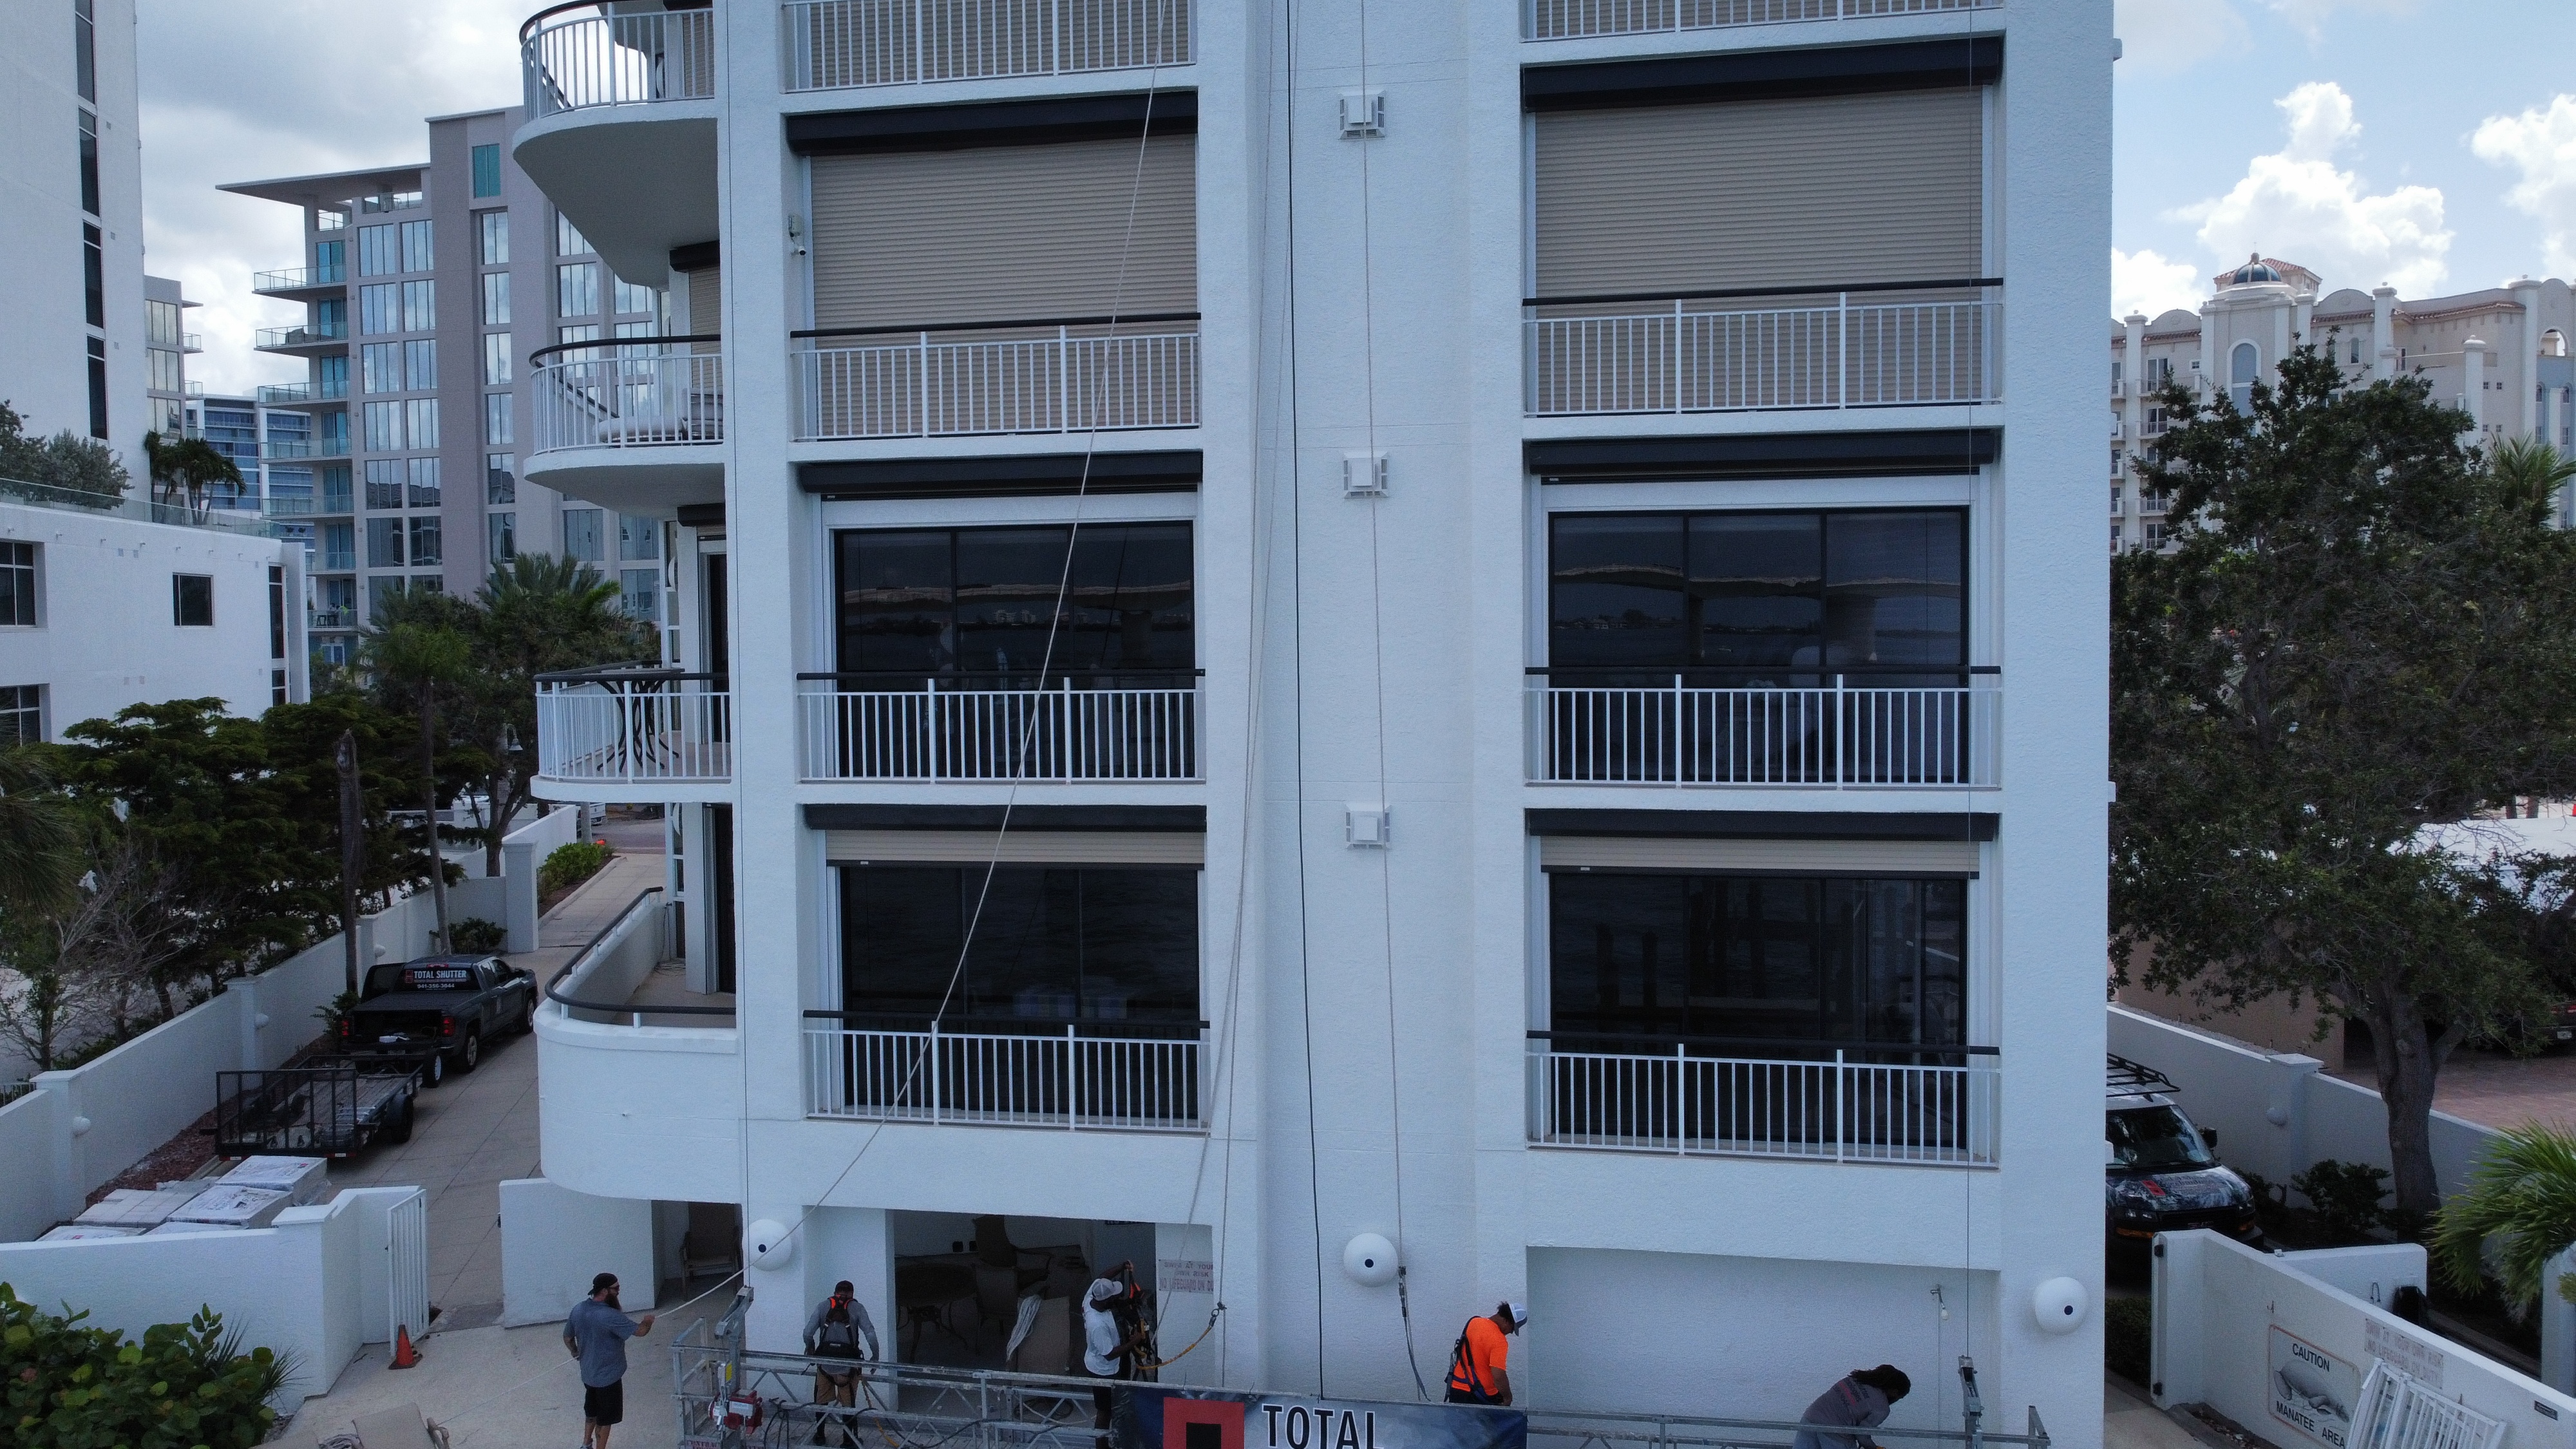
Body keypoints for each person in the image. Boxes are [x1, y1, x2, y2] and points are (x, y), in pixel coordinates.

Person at [564, 1273, 656, 1449]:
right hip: (608, 1378)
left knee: (591, 1411)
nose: (619, 1292)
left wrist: (576, 1352)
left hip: (588, 1375)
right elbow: (640, 1332)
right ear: (605, 1291)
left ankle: (586, 1444)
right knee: (605, 1420)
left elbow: (568, 1337)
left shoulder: (578, 1309)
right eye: (616, 1289)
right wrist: (648, 1322)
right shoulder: (610, 1316)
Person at [1081, 1262, 1150, 1449]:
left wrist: (1121, 1267)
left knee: (1121, 1406)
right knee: (1105, 1412)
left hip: (1116, 1365)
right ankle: (1102, 1446)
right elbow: (1110, 1354)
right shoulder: (1098, 1325)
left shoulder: (1091, 1296)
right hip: (1104, 1370)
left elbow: (1103, 1276)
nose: (1116, 1299)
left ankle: (1121, 1441)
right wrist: (1134, 1342)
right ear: (1105, 1301)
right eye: (1112, 1297)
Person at [805, 1281, 880, 1447]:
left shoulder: (823, 1306)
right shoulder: (857, 1308)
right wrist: (876, 1356)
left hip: (824, 1365)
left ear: (835, 1292)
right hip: (848, 1368)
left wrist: (809, 1348)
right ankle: (848, 1441)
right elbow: (870, 1334)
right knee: (848, 1405)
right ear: (852, 1294)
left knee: (821, 1402)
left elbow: (807, 1333)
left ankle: (820, 1437)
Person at [1793, 1366, 1912, 1449]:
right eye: (1899, 1397)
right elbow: (1862, 1433)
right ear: (1894, 1391)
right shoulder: (1882, 1408)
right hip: (1836, 1434)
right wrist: (1874, 1448)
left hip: (1809, 1420)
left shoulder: (1855, 1379)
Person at [1444, 1302, 1526, 1405]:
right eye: (1512, 1329)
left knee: (1458, 1422)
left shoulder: (1474, 1322)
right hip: (1481, 1397)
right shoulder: (1499, 1340)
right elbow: (1498, 1375)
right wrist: (1507, 1398)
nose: (1510, 1332)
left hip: (1457, 1389)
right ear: (1506, 1321)